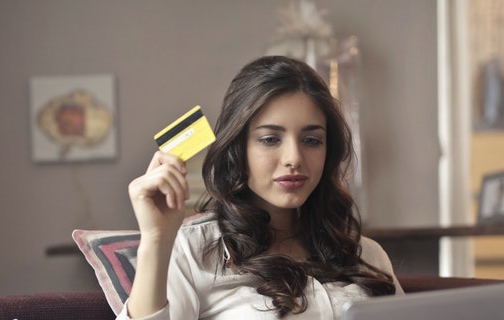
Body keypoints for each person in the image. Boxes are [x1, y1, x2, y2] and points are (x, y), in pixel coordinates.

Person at [122, 55, 402, 320]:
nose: (294, 158)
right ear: (237, 149)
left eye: (312, 140)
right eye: (270, 139)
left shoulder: (366, 253)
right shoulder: (194, 251)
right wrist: (156, 239)